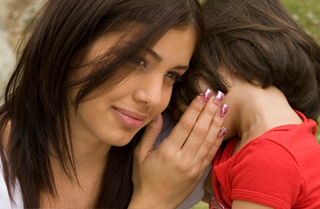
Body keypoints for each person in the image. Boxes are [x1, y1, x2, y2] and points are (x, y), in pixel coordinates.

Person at [0, 0, 228, 208]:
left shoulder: (171, 161)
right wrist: (152, 201)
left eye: (172, 75)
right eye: (136, 60)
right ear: (72, 40)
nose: (153, 97)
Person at [171, 0, 320, 208]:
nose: (179, 115)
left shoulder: (270, 156)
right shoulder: (255, 141)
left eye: (187, 76)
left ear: (233, 56)